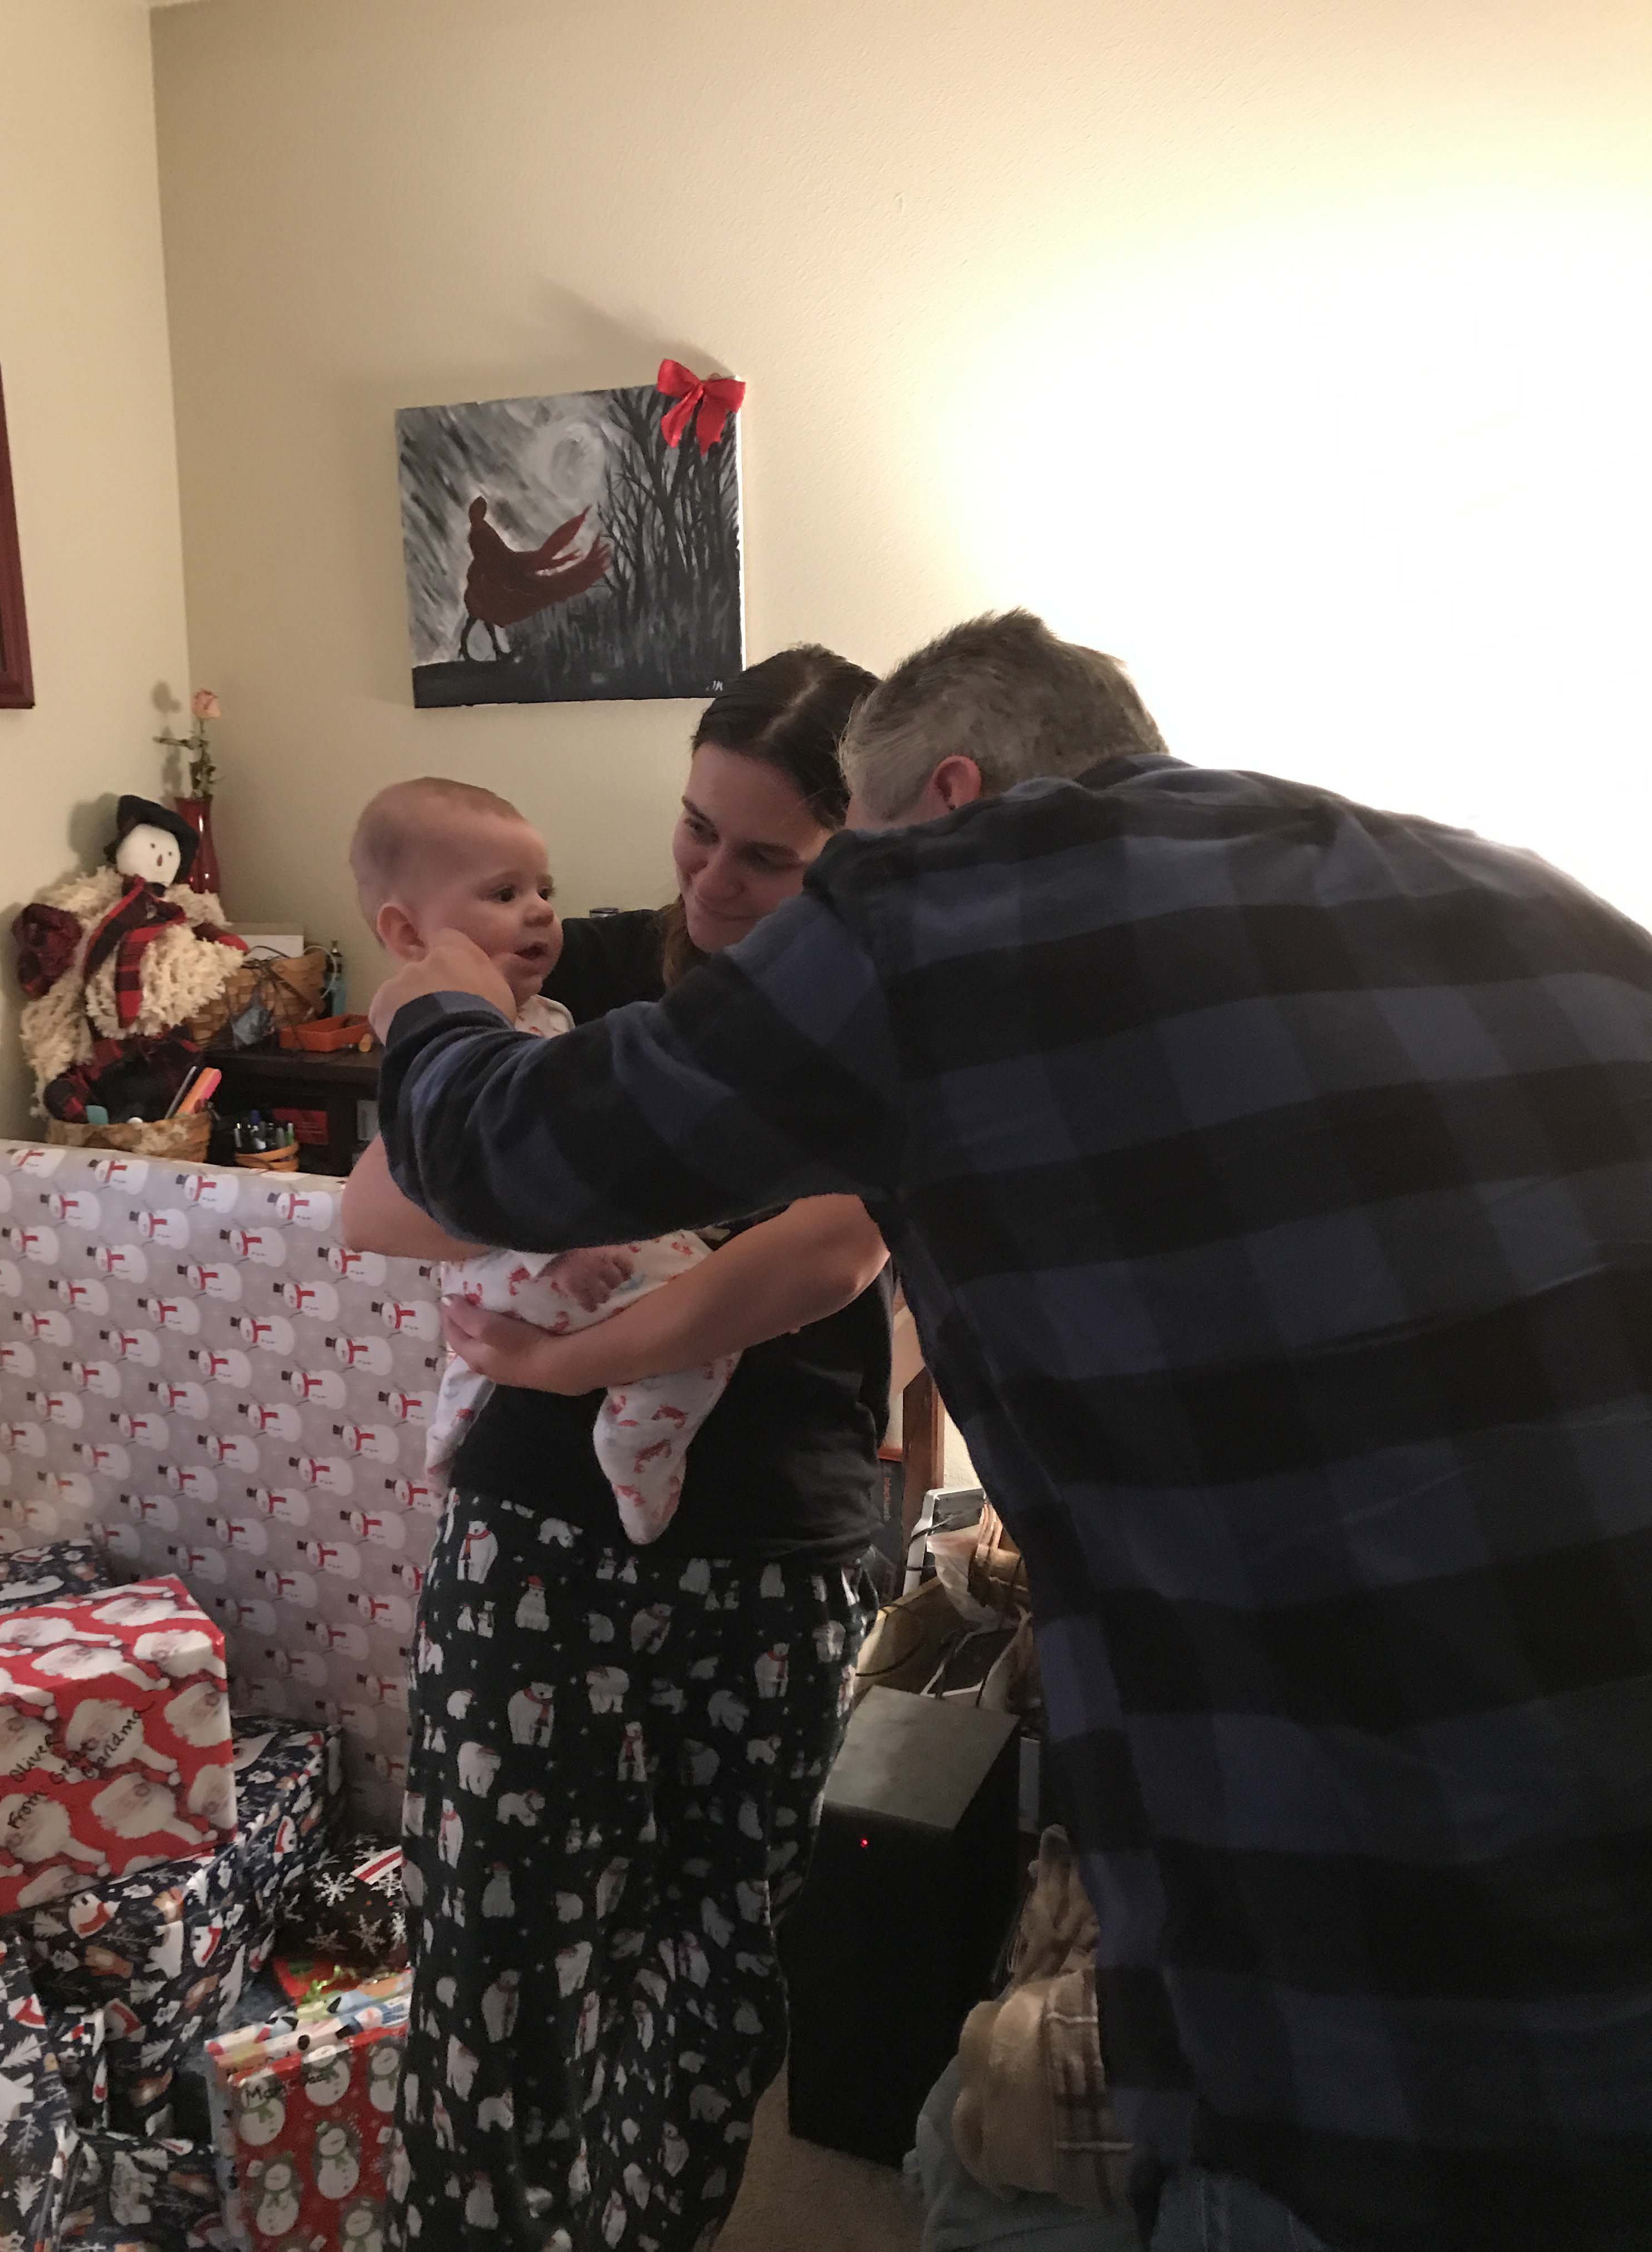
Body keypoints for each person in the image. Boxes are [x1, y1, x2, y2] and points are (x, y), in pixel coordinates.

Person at [371, 610, 1652, 2252]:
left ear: (946, 804)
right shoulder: (1522, 900)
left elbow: (506, 1156)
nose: (742, 888)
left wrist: (431, 1000)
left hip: (1354, 1976)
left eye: (821, 855)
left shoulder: (938, 920)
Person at [343, 647, 893, 2251]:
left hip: (776, 1545)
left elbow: (825, 1254)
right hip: (537, 1526)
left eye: (768, 857)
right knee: (495, 1951)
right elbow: (378, 1203)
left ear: (855, 857)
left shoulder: (898, 1010)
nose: (713, 883)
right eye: (696, 830)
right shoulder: (575, 960)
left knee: (719, 1962)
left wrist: (569, 1347)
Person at [346, 777, 738, 1542]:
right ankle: (636, 1448)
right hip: (531, 1265)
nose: (540, 911)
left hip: (532, 1274)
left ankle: (459, 1430)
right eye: (505, 893)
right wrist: (563, 1242)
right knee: (706, 1315)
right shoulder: (456, 1033)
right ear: (408, 933)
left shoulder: (542, 1012)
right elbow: (423, 1186)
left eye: (543, 889)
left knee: (698, 1282)